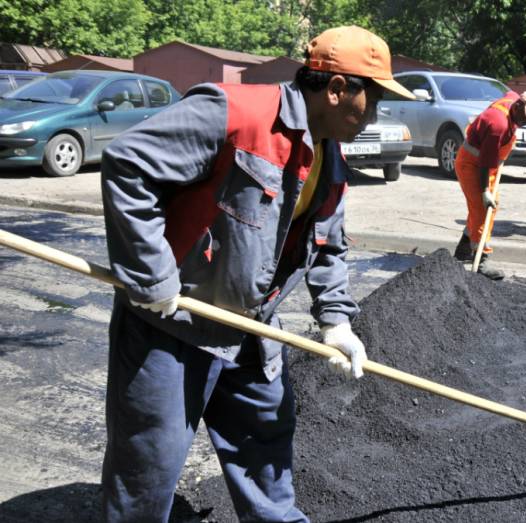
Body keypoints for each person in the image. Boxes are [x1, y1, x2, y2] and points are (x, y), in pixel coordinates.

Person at [99, 26, 414, 522]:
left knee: (265, 448)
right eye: (371, 100)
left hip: (252, 328)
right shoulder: (234, 112)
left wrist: (337, 321)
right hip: (172, 324)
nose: (374, 114)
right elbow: (127, 163)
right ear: (336, 89)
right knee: (147, 470)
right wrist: (152, 274)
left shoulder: (330, 157)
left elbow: (328, 244)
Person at [452, 90, 526, 279]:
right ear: (518, 106)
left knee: (487, 208)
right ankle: (482, 258)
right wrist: (485, 190)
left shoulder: (511, 99)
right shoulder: (498, 125)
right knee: (482, 209)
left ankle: (463, 249)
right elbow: (485, 163)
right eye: (525, 118)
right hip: (472, 165)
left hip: (486, 165)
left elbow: (509, 90)